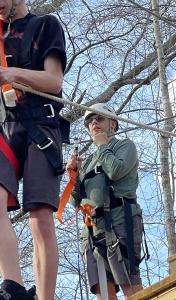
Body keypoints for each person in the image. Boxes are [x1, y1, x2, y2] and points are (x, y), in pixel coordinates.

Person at [0, 0, 67, 299]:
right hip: (0, 124)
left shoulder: (45, 26)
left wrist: (14, 75)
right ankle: (13, 286)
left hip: (40, 126)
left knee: (40, 215)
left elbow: (54, 80)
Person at [66, 103, 145, 300]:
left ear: (113, 124)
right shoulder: (90, 161)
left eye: (99, 118)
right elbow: (76, 203)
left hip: (120, 220)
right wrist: (73, 176)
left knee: (129, 283)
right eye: (89, 121)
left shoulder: (124, 146)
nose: (94, 122)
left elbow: (115, 171)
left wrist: (103, 146)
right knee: (103, 290)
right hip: (93, 231)